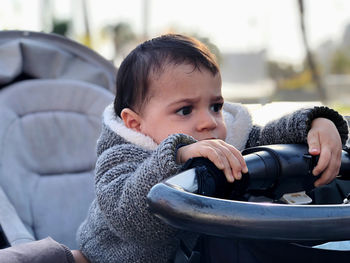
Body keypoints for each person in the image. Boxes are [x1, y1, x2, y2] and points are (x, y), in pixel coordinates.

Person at [76, 33, 348, 263]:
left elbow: (269, 136)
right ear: (135, 123)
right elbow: (131, 221)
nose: (208, 121)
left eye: (215, 106)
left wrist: (315, 123)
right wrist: (177, 154)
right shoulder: (121, 157)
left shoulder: (226, 140)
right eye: (185, 110)